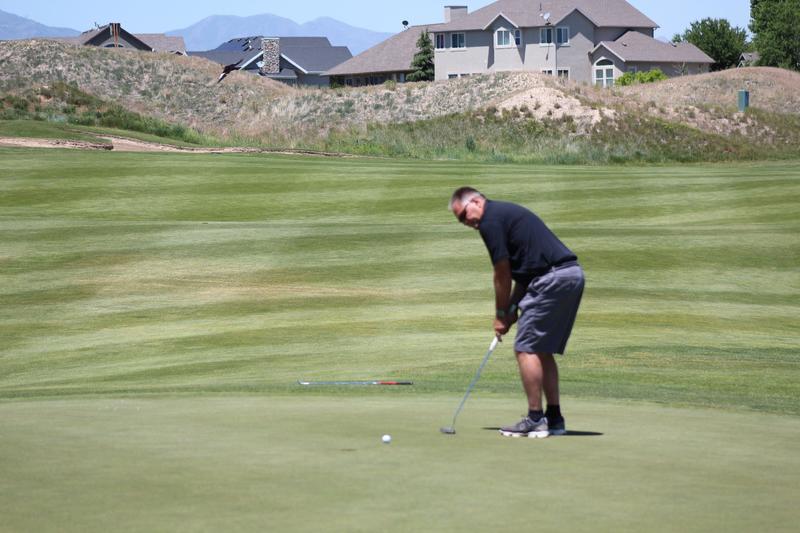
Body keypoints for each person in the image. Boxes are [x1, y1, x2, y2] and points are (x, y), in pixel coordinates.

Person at [449, 187, 585, 438]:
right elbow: (524, 276)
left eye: (464, 216)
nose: (466, 223)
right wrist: (512, 310)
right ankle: (554, 419)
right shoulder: (503, 215)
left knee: (526, 349)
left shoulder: (490, 221)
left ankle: (535, 419)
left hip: (551, 279)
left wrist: (500, 314)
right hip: (569, 275)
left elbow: (502, 273)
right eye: (460, 221)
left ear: (476, 201)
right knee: (542, 350)